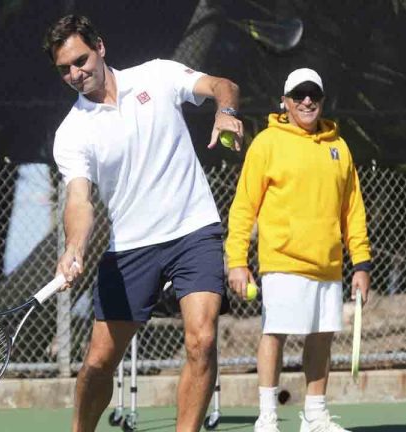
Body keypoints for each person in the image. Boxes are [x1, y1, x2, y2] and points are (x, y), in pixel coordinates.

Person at [43, 14, 243, 432]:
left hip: (194, 229)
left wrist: (224, 112)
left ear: (100, 47)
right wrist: (74, 246)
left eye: (80, 60)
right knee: (98, 363)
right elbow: (79, 199)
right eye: (65, 69)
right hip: (132, 248)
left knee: (202, 339)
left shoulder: (157, 75)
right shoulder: (72, 133)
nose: (76, 74)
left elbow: (224, 86)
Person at [225, 68, 371, 432]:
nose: (307, 101)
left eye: (314, 95)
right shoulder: (267, 144)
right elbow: (244, 207)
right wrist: (237, 261)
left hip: (329, 265)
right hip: (282, 262)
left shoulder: (339, 147)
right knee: (274, 333)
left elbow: (353, 209)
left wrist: (362, 263)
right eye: (299, 95)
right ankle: (268, 417)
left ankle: (315, 416)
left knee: (321, 338)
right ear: (285, 101)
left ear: (321, 100)